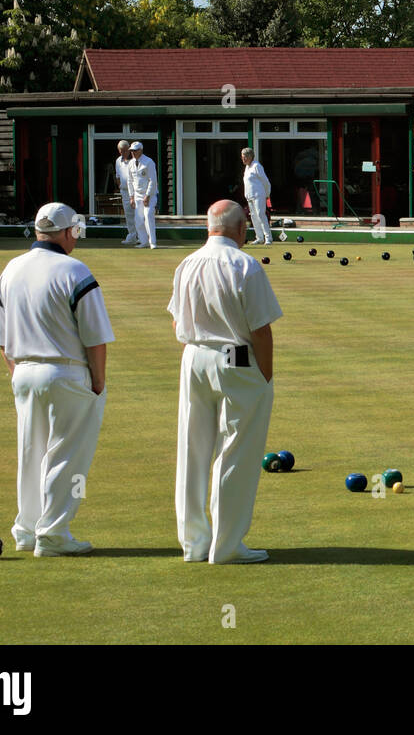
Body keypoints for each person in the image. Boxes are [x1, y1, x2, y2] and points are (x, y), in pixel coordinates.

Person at [0, 202, 112, 557]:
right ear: (64, 233)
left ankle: (27, 530)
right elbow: (95, 338)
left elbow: (1, 339)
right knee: (68, 456)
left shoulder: (10, 270)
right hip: (67, 372)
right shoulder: (75, 271)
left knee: (31, 453)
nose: (76, 237)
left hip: (24, 373)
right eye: (73, 231)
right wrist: (98, 382)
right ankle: (54, 533)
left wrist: (18, 374)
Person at [168, 200, 282, 565]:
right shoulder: (244, 265)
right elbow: (260, 329)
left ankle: (194, 543)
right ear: (241, 229)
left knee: (193, 449)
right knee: (237, 447)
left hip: (194, 355)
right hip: (236, 355)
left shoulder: (186, 263)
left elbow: (176, 323)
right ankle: (227, 544)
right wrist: (265, 375)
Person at [127, 141, 158, 249]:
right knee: (138, 220)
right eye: (131, 151)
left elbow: (153, 180)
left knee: (148, 216)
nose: (133, 153)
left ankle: (152, 242)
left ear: (141, 150)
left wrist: (147, 195)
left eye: (135, 150)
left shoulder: (149, 162)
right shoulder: (130, 163)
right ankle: (144, 241)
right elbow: (130, 181)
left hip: (150, 194)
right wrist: (131, 197)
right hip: (137, 195)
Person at [241, 147, 274, 246]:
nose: (243, 159)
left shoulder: (257, 166)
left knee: (261, 215)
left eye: (244, 157)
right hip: (250, 196)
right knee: (254, 217)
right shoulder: (247, 167)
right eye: (242, 157)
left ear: (250, 156)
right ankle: (259, 238)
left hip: (259, 195)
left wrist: (267, 194)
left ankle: (268, 238)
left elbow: (266, 182)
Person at [115, 139, 137, 245]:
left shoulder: (134, 161)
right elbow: (117, 176)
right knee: (128, 215)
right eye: (121, 151)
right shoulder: (118, 161)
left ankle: (141, 237)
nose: (123, 153)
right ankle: (132, 236)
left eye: (125, 150)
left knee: (138, 214)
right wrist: (120, 185)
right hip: (124, 192)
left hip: (135, 191)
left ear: (128, 150)